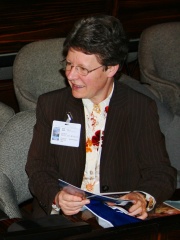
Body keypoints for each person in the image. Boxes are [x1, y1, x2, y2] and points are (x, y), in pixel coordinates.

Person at [26, 15, 177, 221]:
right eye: (69, 64)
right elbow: (38, 167)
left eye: (83, 69)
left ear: (111, 68)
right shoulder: (52, 106)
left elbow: (160, 172)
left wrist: (142, 197)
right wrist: (56, 197)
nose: (71, 75)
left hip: (118, 219)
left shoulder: (139, 107)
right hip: (64, 220)